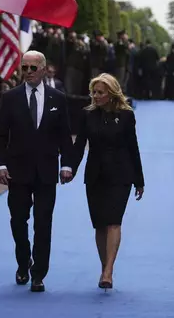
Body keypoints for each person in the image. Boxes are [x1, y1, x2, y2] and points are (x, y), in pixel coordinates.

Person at [0, 50, 76, 293]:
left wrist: (67, 165)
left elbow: (64, 134)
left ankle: (39, 273)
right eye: (24, 68)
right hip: (17, 171)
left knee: (43, 222)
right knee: (19, 221)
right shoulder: (10, 98)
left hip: (46, 171)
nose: (27, 72)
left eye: (32, 68)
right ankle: (23, 262)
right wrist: (0, 164)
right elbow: (0, 135)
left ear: (42, 69)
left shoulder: (58, 98)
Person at [72, 73, 145, 289]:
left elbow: (133, 147)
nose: (95, 96)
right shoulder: (87, 115)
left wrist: (139, 180)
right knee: (100, 224)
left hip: (121, 175)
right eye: (94, 92)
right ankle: (104, 265)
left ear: (111, 94)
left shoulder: (126, 116)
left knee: (113, 221)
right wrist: (69, 169)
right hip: (95, 174)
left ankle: (108, 271)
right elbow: (79, 146)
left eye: (100, 92)